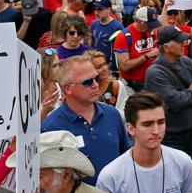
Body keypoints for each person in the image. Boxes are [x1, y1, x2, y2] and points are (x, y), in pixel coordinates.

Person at [42, 54, 132, 184]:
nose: (95, 84)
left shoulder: (113, 115)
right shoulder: (50, 128)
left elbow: (127, 157)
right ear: (67, 88)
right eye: (87, 82)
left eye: (96, 78)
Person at [145, 25, 192, 157]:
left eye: (184, 41)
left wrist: (187, 96)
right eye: (179, 42)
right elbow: (174, 101)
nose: (184, 44)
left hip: (190, 130)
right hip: (169, 135)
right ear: (167, 47)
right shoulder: (155, 72)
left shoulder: (186, 61)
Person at [113, 6, 161, 90]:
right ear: (139, 21)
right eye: (149, 25)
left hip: (149, 83)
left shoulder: (151, 32)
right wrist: (146, 56)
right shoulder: (124, 36)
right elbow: (125, 67)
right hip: (131, 86)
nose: (152, 27)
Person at [90, 0, 126, 68]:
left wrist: (113, 66)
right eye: (95, 9)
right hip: (95, 63)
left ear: (109, 10)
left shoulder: (117, 26)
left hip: (109, 65)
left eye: (99, 9)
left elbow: (121, 49)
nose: (96, 12)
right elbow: (92, 43)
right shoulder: (94, 24)